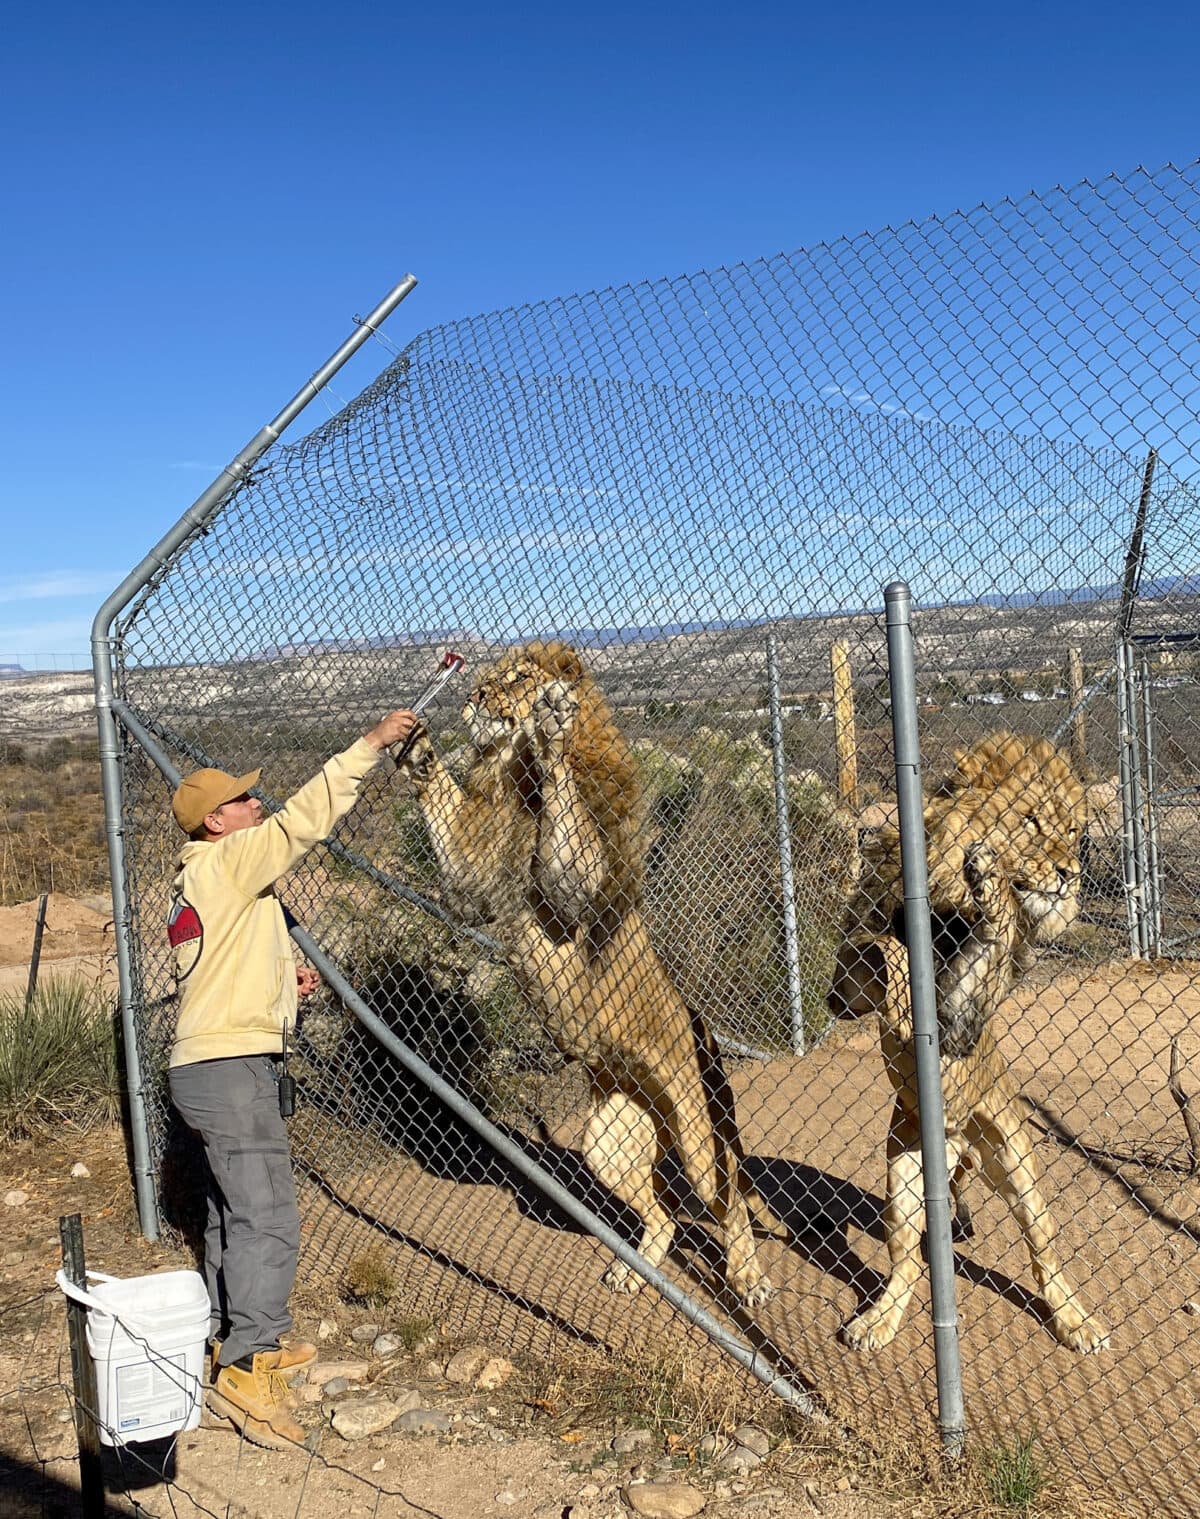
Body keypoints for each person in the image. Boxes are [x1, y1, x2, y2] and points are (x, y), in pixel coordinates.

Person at [167, 708, 419, 1448]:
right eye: (243, 800)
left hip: (207, 1063)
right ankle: (251, 1368)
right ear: (217, 821)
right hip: (230, 1069)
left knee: (227, 1211)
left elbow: (221, 965)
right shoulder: (232, 858)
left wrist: (284, 982)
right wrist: (368, 747)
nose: (257, 804)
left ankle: (236, 1339)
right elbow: (301, 825)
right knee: (268, 1213)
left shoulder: (203, 878)